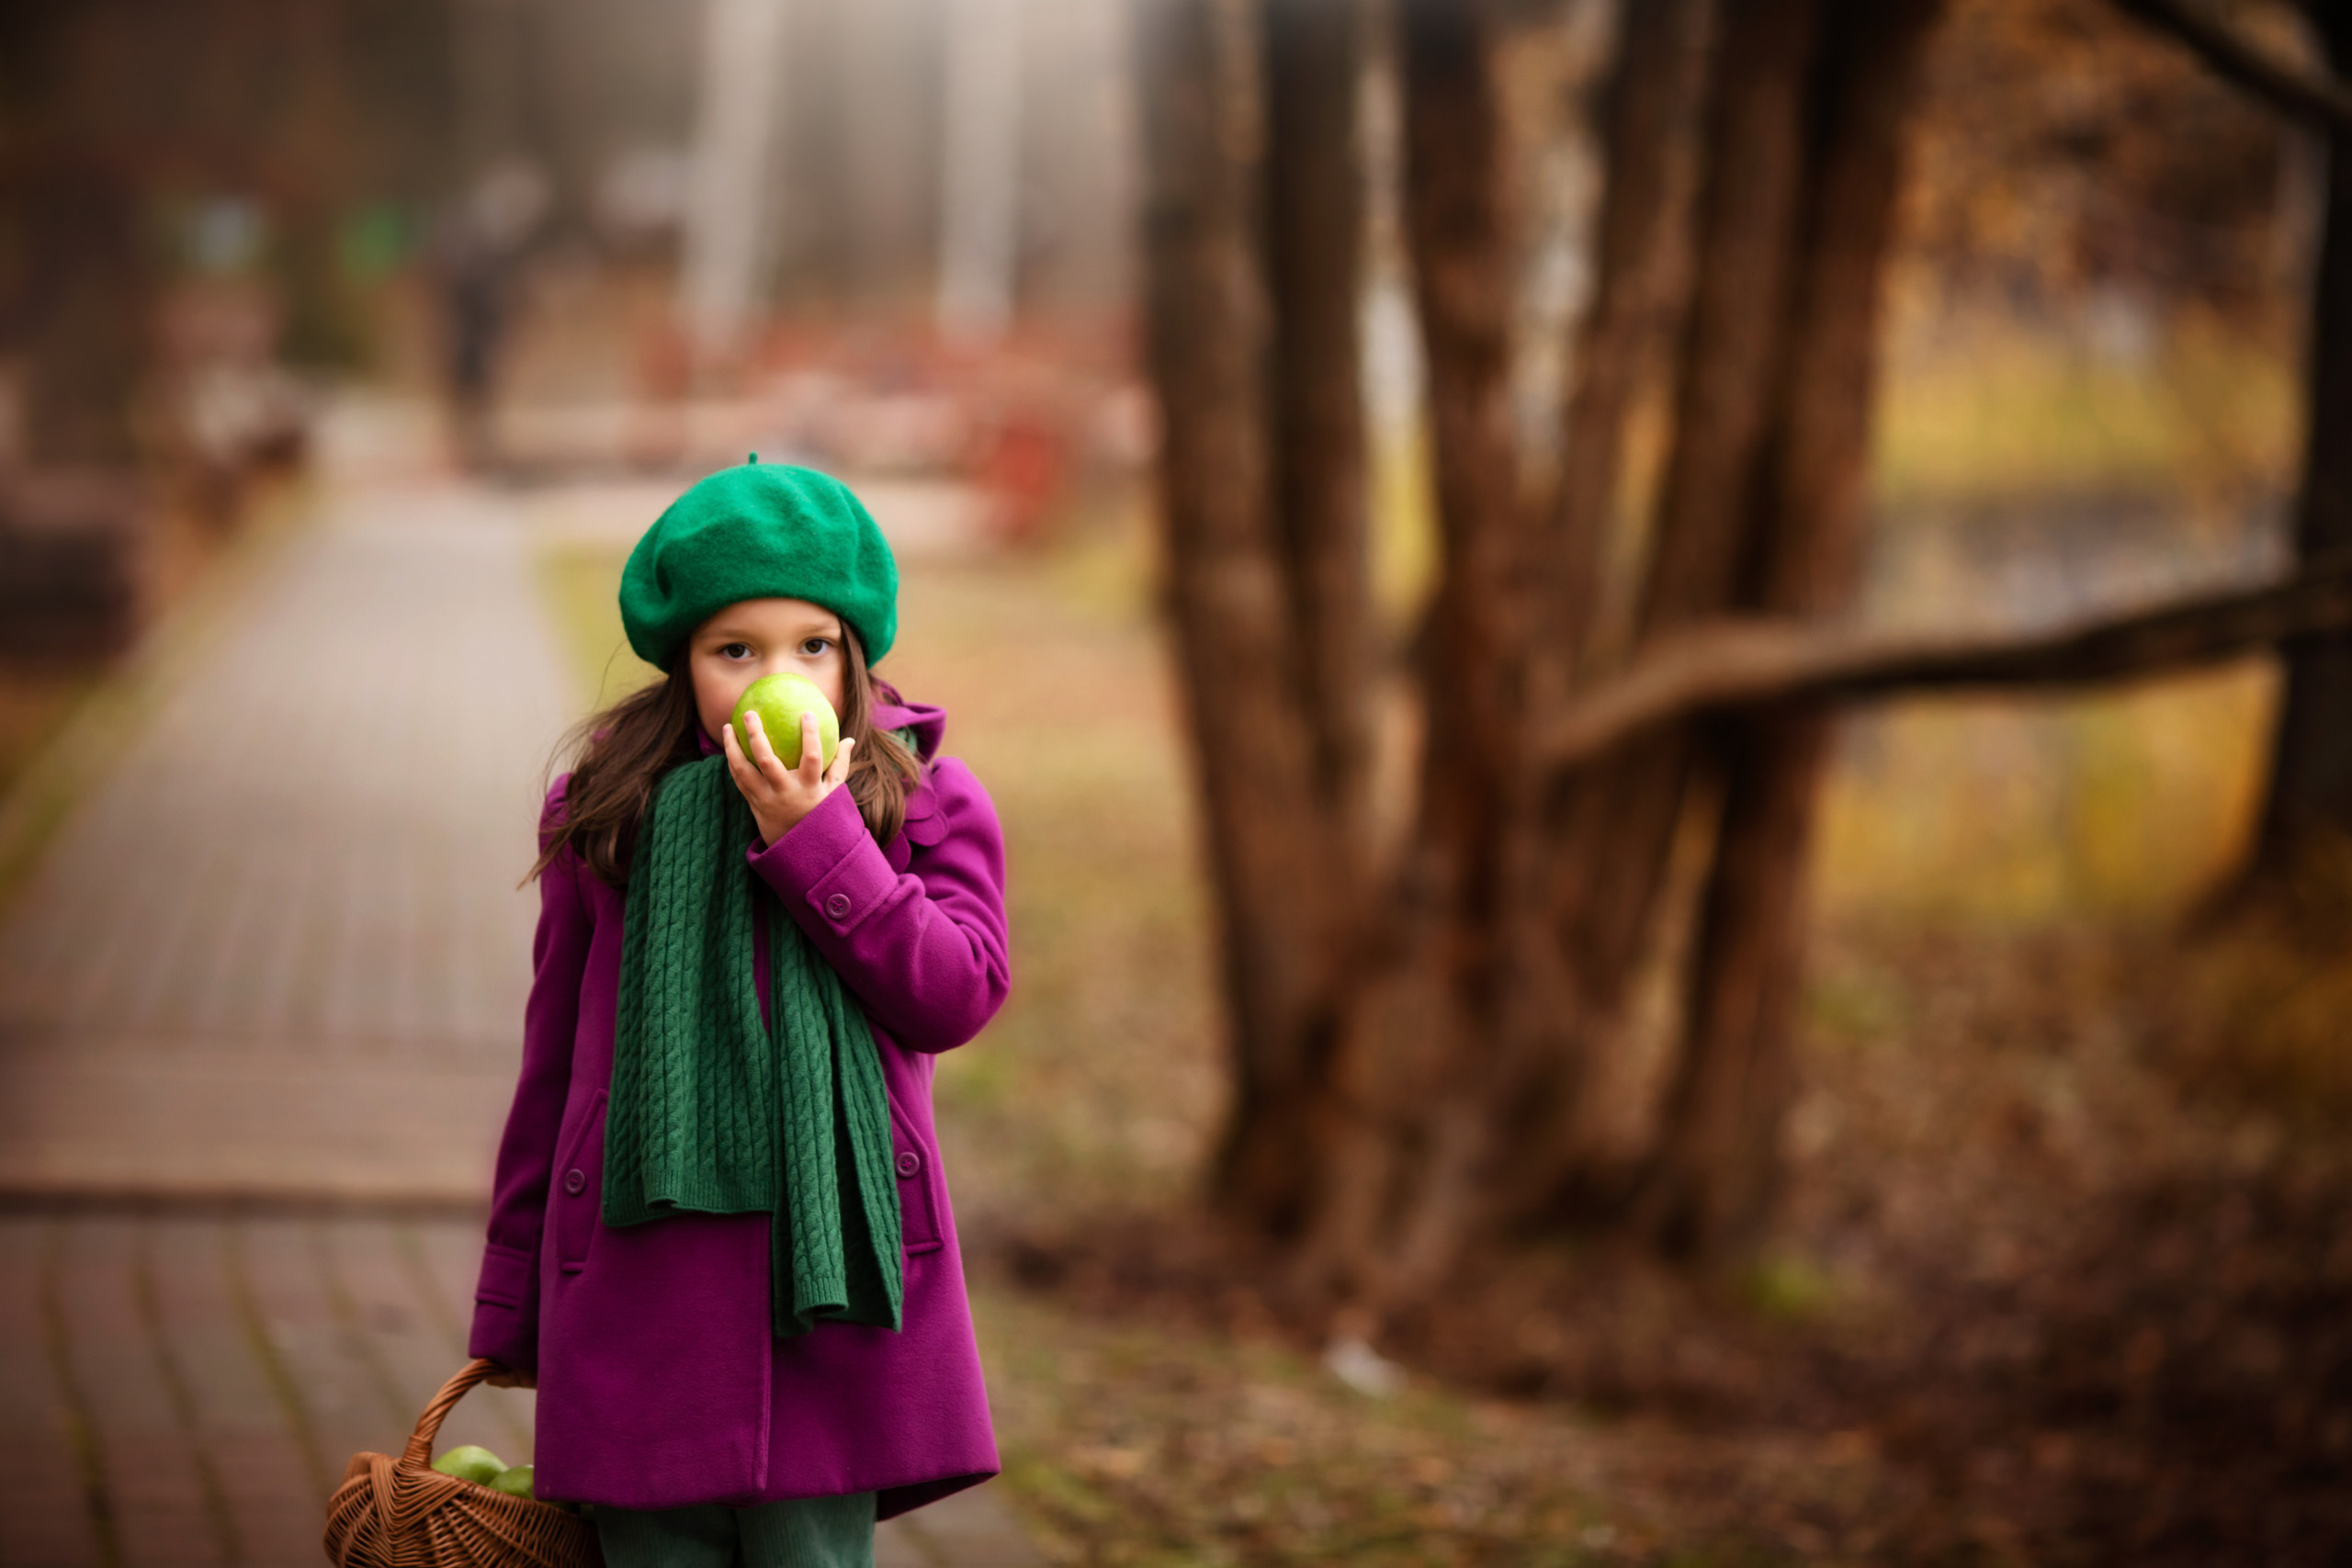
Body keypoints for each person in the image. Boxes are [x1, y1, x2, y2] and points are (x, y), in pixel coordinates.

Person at [466, 459, 1009, 1566]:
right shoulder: (606, 808)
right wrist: (512, 1298)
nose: (779, 676)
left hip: (835, 1299)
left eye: (811, 646)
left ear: (855, 653)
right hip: (637, 1292)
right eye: (736, 651)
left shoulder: (924, 798)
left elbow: (953, 994)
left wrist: (820, 839)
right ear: (684, 660)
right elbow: (552, 1062)